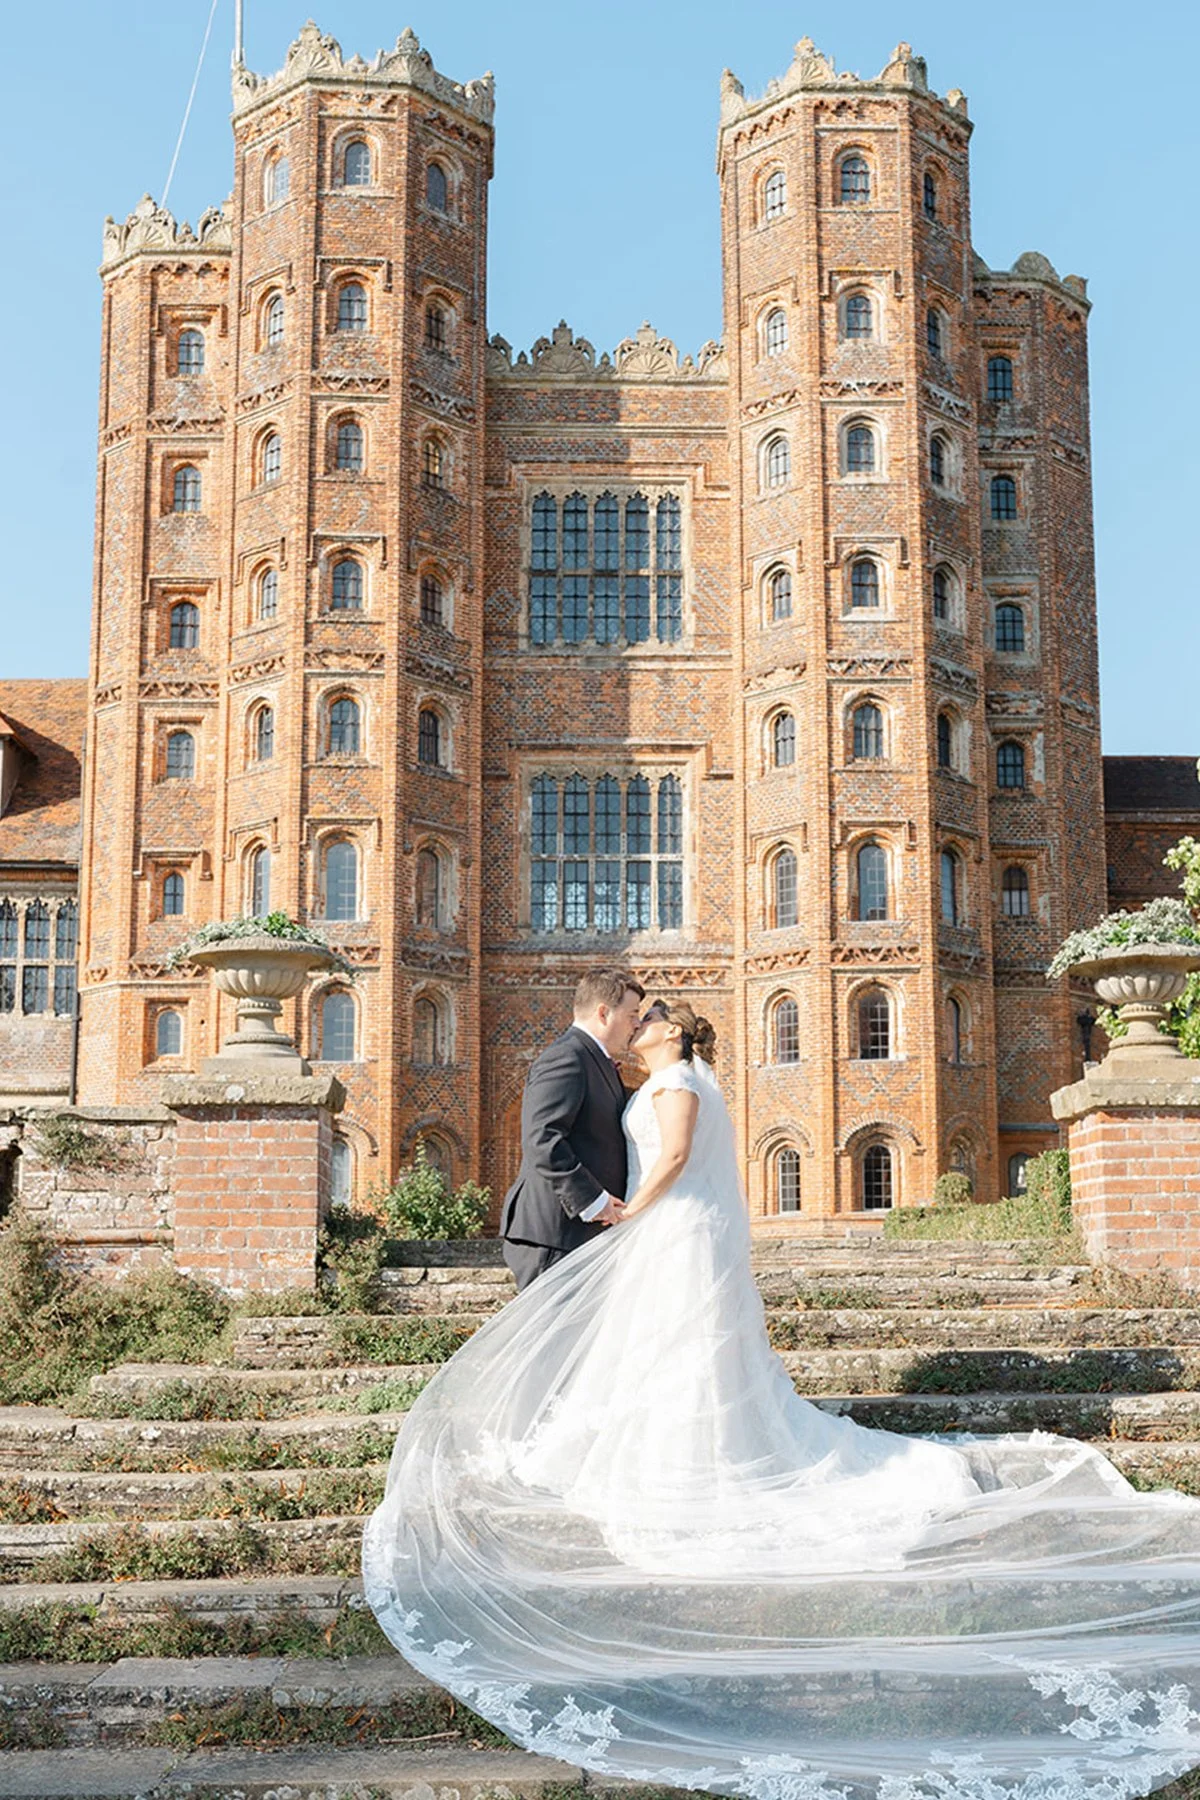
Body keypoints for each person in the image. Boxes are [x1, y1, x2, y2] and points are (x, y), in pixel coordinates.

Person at [365, 1001, 1200, 1800]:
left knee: (690, 1356)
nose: (638, 1024)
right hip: (663, 1239)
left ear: (672, 1035)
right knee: (659, 1356)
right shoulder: (642, 1083)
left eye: (649, 1018)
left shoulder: (683, 1083)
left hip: (676, 1232)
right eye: (636, 1015)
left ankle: (704, 1460)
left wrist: (629, 1213)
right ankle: (659, 1449)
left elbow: (679, 1162)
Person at [499, 967, 644, 1291]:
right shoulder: (567, 1057)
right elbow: (542, 1139)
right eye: (633, 1014)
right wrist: (593, 1200)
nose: (637, 1024)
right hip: (555, 1232)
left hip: (578, 1233)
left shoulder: (594, 1059)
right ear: (604, 1013)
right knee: (547, 1339)